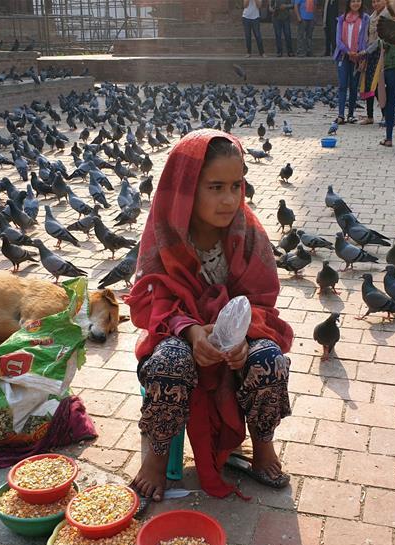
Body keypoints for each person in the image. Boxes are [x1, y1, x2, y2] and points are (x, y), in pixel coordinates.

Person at [126, 130, 294, 502]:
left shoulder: (249, 233)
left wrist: (242, 338)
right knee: (170, 360)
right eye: (215, 187)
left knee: (268, 360)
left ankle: (262, 448)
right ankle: (154, 460)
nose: (229, 199)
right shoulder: (165, 230)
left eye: (236, 186)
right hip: (180, 339)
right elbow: (150, 302)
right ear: (187, 187)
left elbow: (263, 301)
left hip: (237, 342)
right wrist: (190, 331)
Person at [334, 0, 370, 124]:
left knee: (354, 86)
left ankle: (350, 115)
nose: (356, 3)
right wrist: (348, 51)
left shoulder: (365, 19)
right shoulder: (341, 19)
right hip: (343, 56)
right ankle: (340, 115)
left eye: (358, 1)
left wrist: (360, 53)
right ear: (349, 3)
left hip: (358, 57)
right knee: (343, 85)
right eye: (353, 1)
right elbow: (338, 41)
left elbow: (365, 38)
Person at [359, 0, 386, 124]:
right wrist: (363, 50)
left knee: (378, 86)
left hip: (381, 54)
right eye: (373, 2)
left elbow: (382, 40)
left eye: (378, 1)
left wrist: (367, 51)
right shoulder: (371, 17)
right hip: (369, 54)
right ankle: (370, 116)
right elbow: (366, 36)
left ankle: (386, 115)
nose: (375, 4)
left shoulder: (388, 17)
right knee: (368, 84)